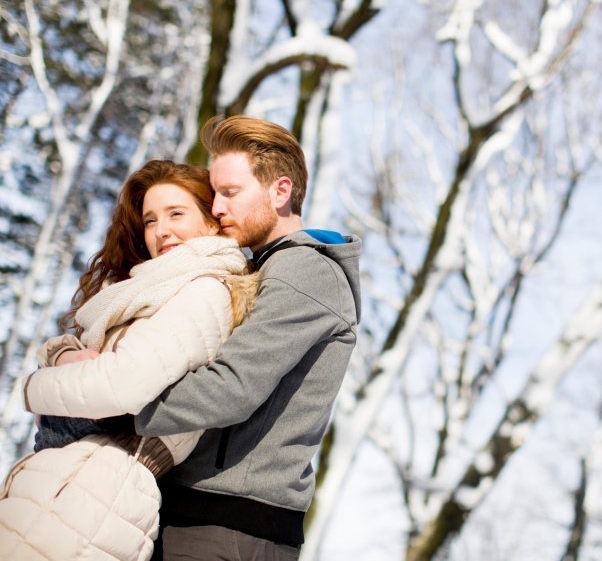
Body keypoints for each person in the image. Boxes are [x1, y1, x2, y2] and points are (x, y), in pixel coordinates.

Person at [0, 160, 256, 560]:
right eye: (150, 220)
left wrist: (34, 389)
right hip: (74, 474)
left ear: (211, 222)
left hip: (101, 483)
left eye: (176, 214)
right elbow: (77, 353)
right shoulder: (152, 289)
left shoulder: (205, 290)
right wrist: (66, 355)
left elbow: (121, 386)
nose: (161, 230)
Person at [132, 115, 361, 560]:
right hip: (207, 513)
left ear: (280, 191)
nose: (216, 207)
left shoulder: (305, 272)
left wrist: (118, 406)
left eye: (230, 193)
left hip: (231, 522)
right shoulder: (267, 267)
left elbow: (231, 388)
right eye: (214, 192)